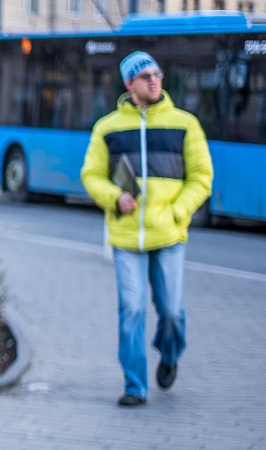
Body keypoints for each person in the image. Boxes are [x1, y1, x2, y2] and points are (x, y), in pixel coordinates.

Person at [81, 51, 212, 407]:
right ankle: (135, 385)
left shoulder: (185, 124)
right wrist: (115, 197)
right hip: (126, 238)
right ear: (129, 84)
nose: (154, 81)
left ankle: (169, 355)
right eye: (145, 76)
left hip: (168, 235)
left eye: (157, 74)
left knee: (171, 312)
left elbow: (201, 178)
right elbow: (90, 175)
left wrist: (178, 212)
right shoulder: (107, 127)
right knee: (132, 309)